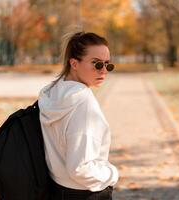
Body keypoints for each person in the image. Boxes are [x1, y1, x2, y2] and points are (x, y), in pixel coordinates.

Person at [38, 31, 119, 200]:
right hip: (85, 193)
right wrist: (112, 174)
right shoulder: (83, 103)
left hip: (56, 188)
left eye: (108, 65)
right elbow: (80, 168)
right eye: (96, 64)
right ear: (74, 63)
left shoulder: (52, 93)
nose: (103, 70)